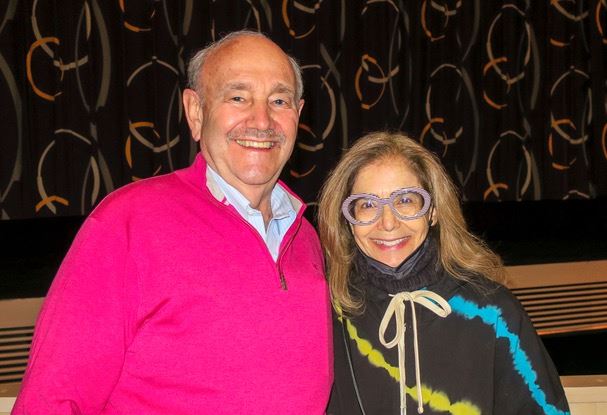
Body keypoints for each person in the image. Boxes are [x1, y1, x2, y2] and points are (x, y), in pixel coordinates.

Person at [13, 31, 332, 414]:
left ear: (298, 114)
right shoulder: (127, 224)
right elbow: (51, 401)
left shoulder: (306, 237)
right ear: (195, 112)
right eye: (238, 97)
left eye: (279, 101)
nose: (262, 120)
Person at [318, 131, 569, 415]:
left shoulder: (493, 312)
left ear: (433, 211)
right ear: (348, 220)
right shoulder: (327, 315)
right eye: (367, 205)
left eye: (405, 200)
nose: (387, 222)